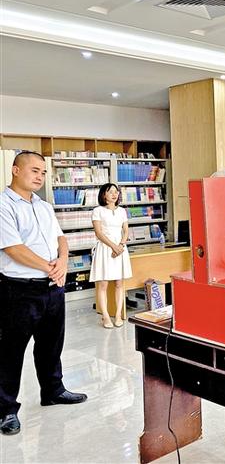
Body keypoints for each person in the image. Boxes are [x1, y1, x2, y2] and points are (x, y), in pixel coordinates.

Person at [0, 151, 88, 436]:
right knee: (10, 351)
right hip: (19, 290)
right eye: (34, 170)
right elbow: (13, 248)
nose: (39, 177)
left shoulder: (44, 205)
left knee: (51, 344)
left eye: (43, 172)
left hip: (52, 287)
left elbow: (60, 238)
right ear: (15, 170)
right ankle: (5, 409)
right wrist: (51, 268)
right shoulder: (3, 204)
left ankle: (53, 391)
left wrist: (63, 261)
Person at [90, 183, 133, 329]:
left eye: (116, 192)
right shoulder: (98, 211)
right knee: (103, 284)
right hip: (105, 248)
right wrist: (113, 246)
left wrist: (120, 245)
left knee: (119, 283)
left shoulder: (122, 211)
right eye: (110, 192)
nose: (114, 194)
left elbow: (126, 231)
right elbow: (99, 233)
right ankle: (106, 316)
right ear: (104, 195)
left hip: (120, 248)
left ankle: (118, 315)